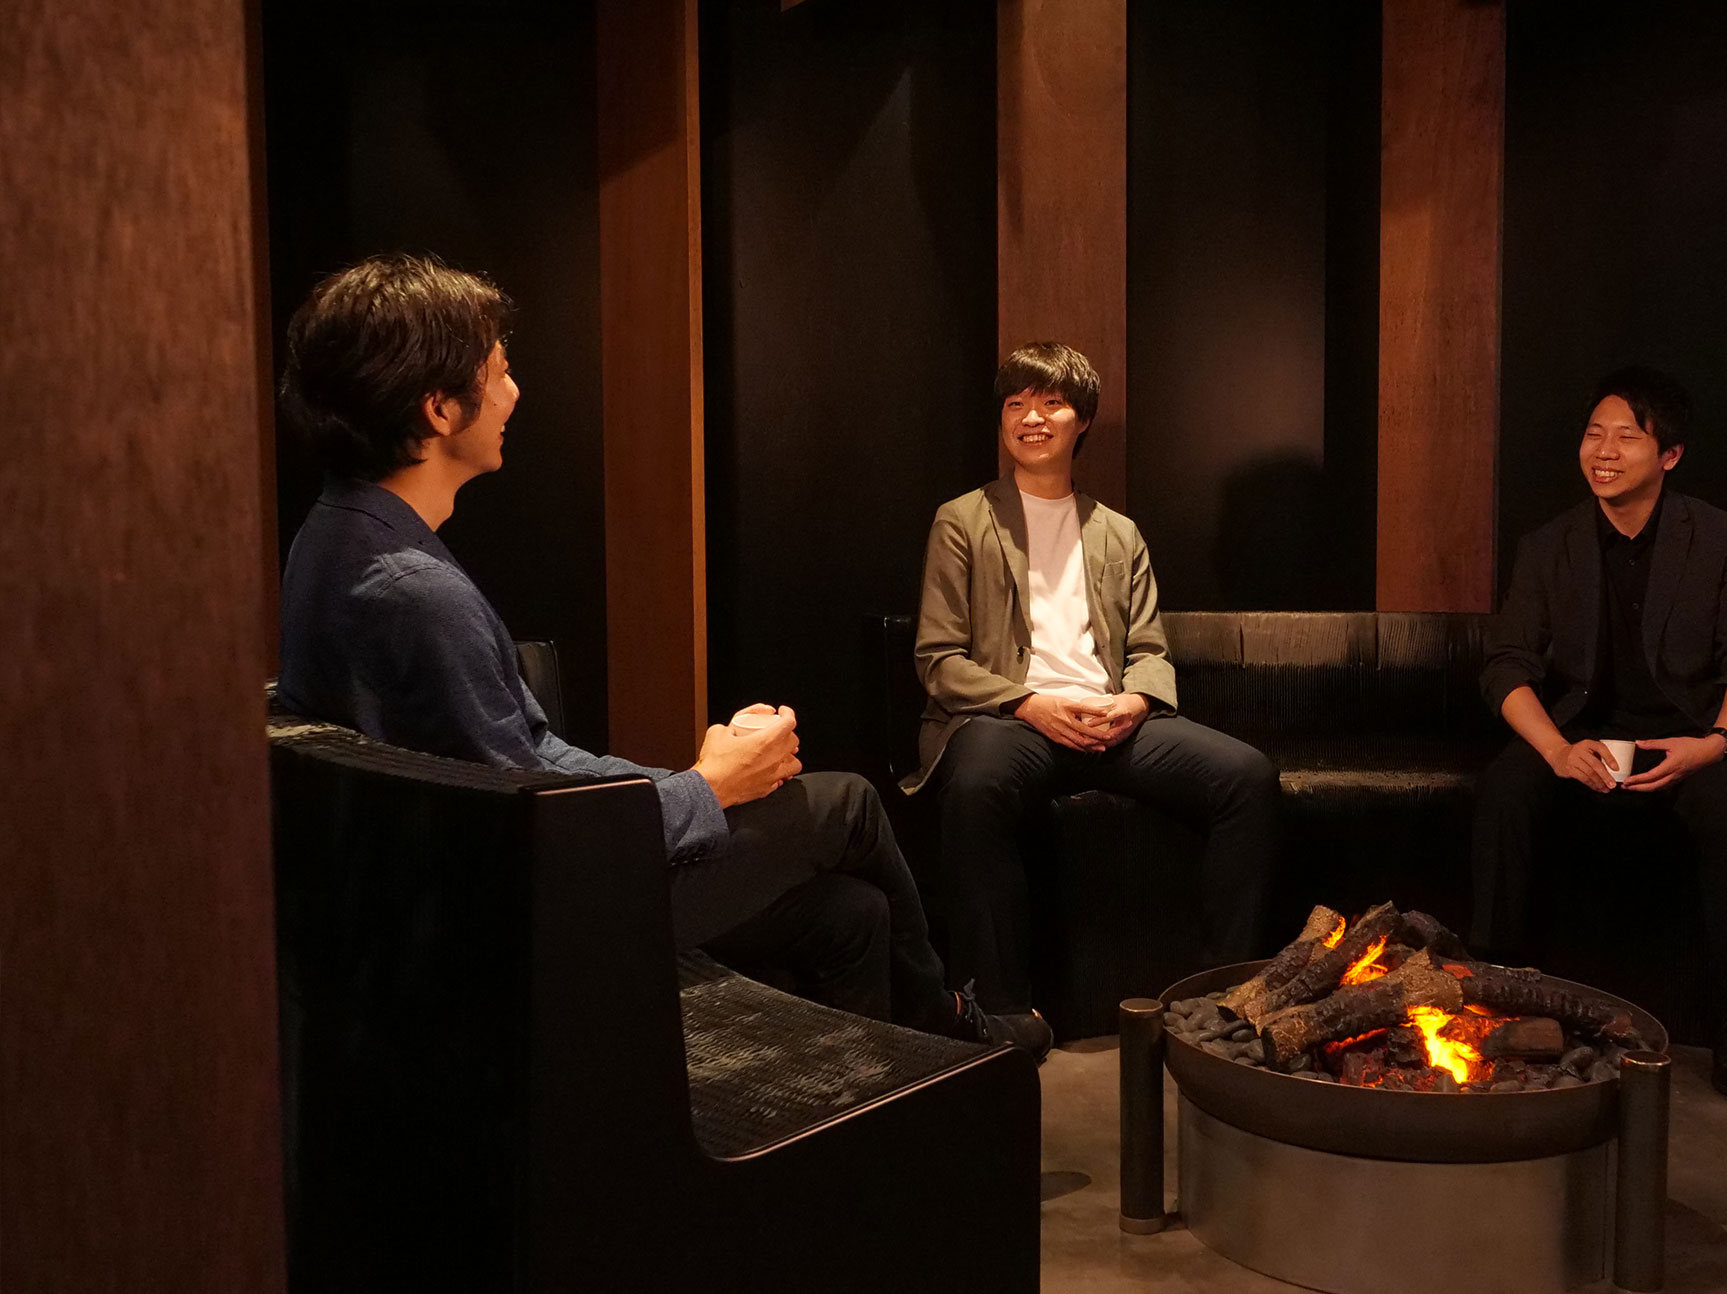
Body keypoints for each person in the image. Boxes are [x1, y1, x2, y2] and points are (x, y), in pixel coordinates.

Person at [273, 253, 1034, 1054]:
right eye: (498, 373)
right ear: (438, 409)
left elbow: (523, 760)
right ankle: (950, 1030)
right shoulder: (413, 591)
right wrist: (708, 787)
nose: (514, 393)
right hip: (525, 920)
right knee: (847, 803)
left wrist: (688, 783)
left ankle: (893, 1109)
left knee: (853, 916)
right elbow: (532, 828)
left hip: (472, 895)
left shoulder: (335, 536)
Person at [906, 342, 1280, 1041]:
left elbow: (1148, 650)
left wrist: (1135, 702)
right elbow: (938, 657)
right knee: (976, 782)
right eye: (1015, 404)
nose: (1030, 418)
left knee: (1247, 778)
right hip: (1010, 718)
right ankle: (1001, 1010)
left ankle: (1225, 996)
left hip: (1109, 719)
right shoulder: (963, 520)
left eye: (1050, 402)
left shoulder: (1118, 532)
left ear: (1082, 422)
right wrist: (1027, 702)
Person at [1472, 366, 1727, 1101]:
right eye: (1595, 433)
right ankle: (1496, 988)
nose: (1605, 451)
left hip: (1687, 735)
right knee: (1506, 787)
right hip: (1580, 734)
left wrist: (1716, 740)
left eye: (1628, 436)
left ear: (1671, 456)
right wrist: (1556, 750)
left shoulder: (1721, 539)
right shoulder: (1549, 544)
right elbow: (1506, 664)